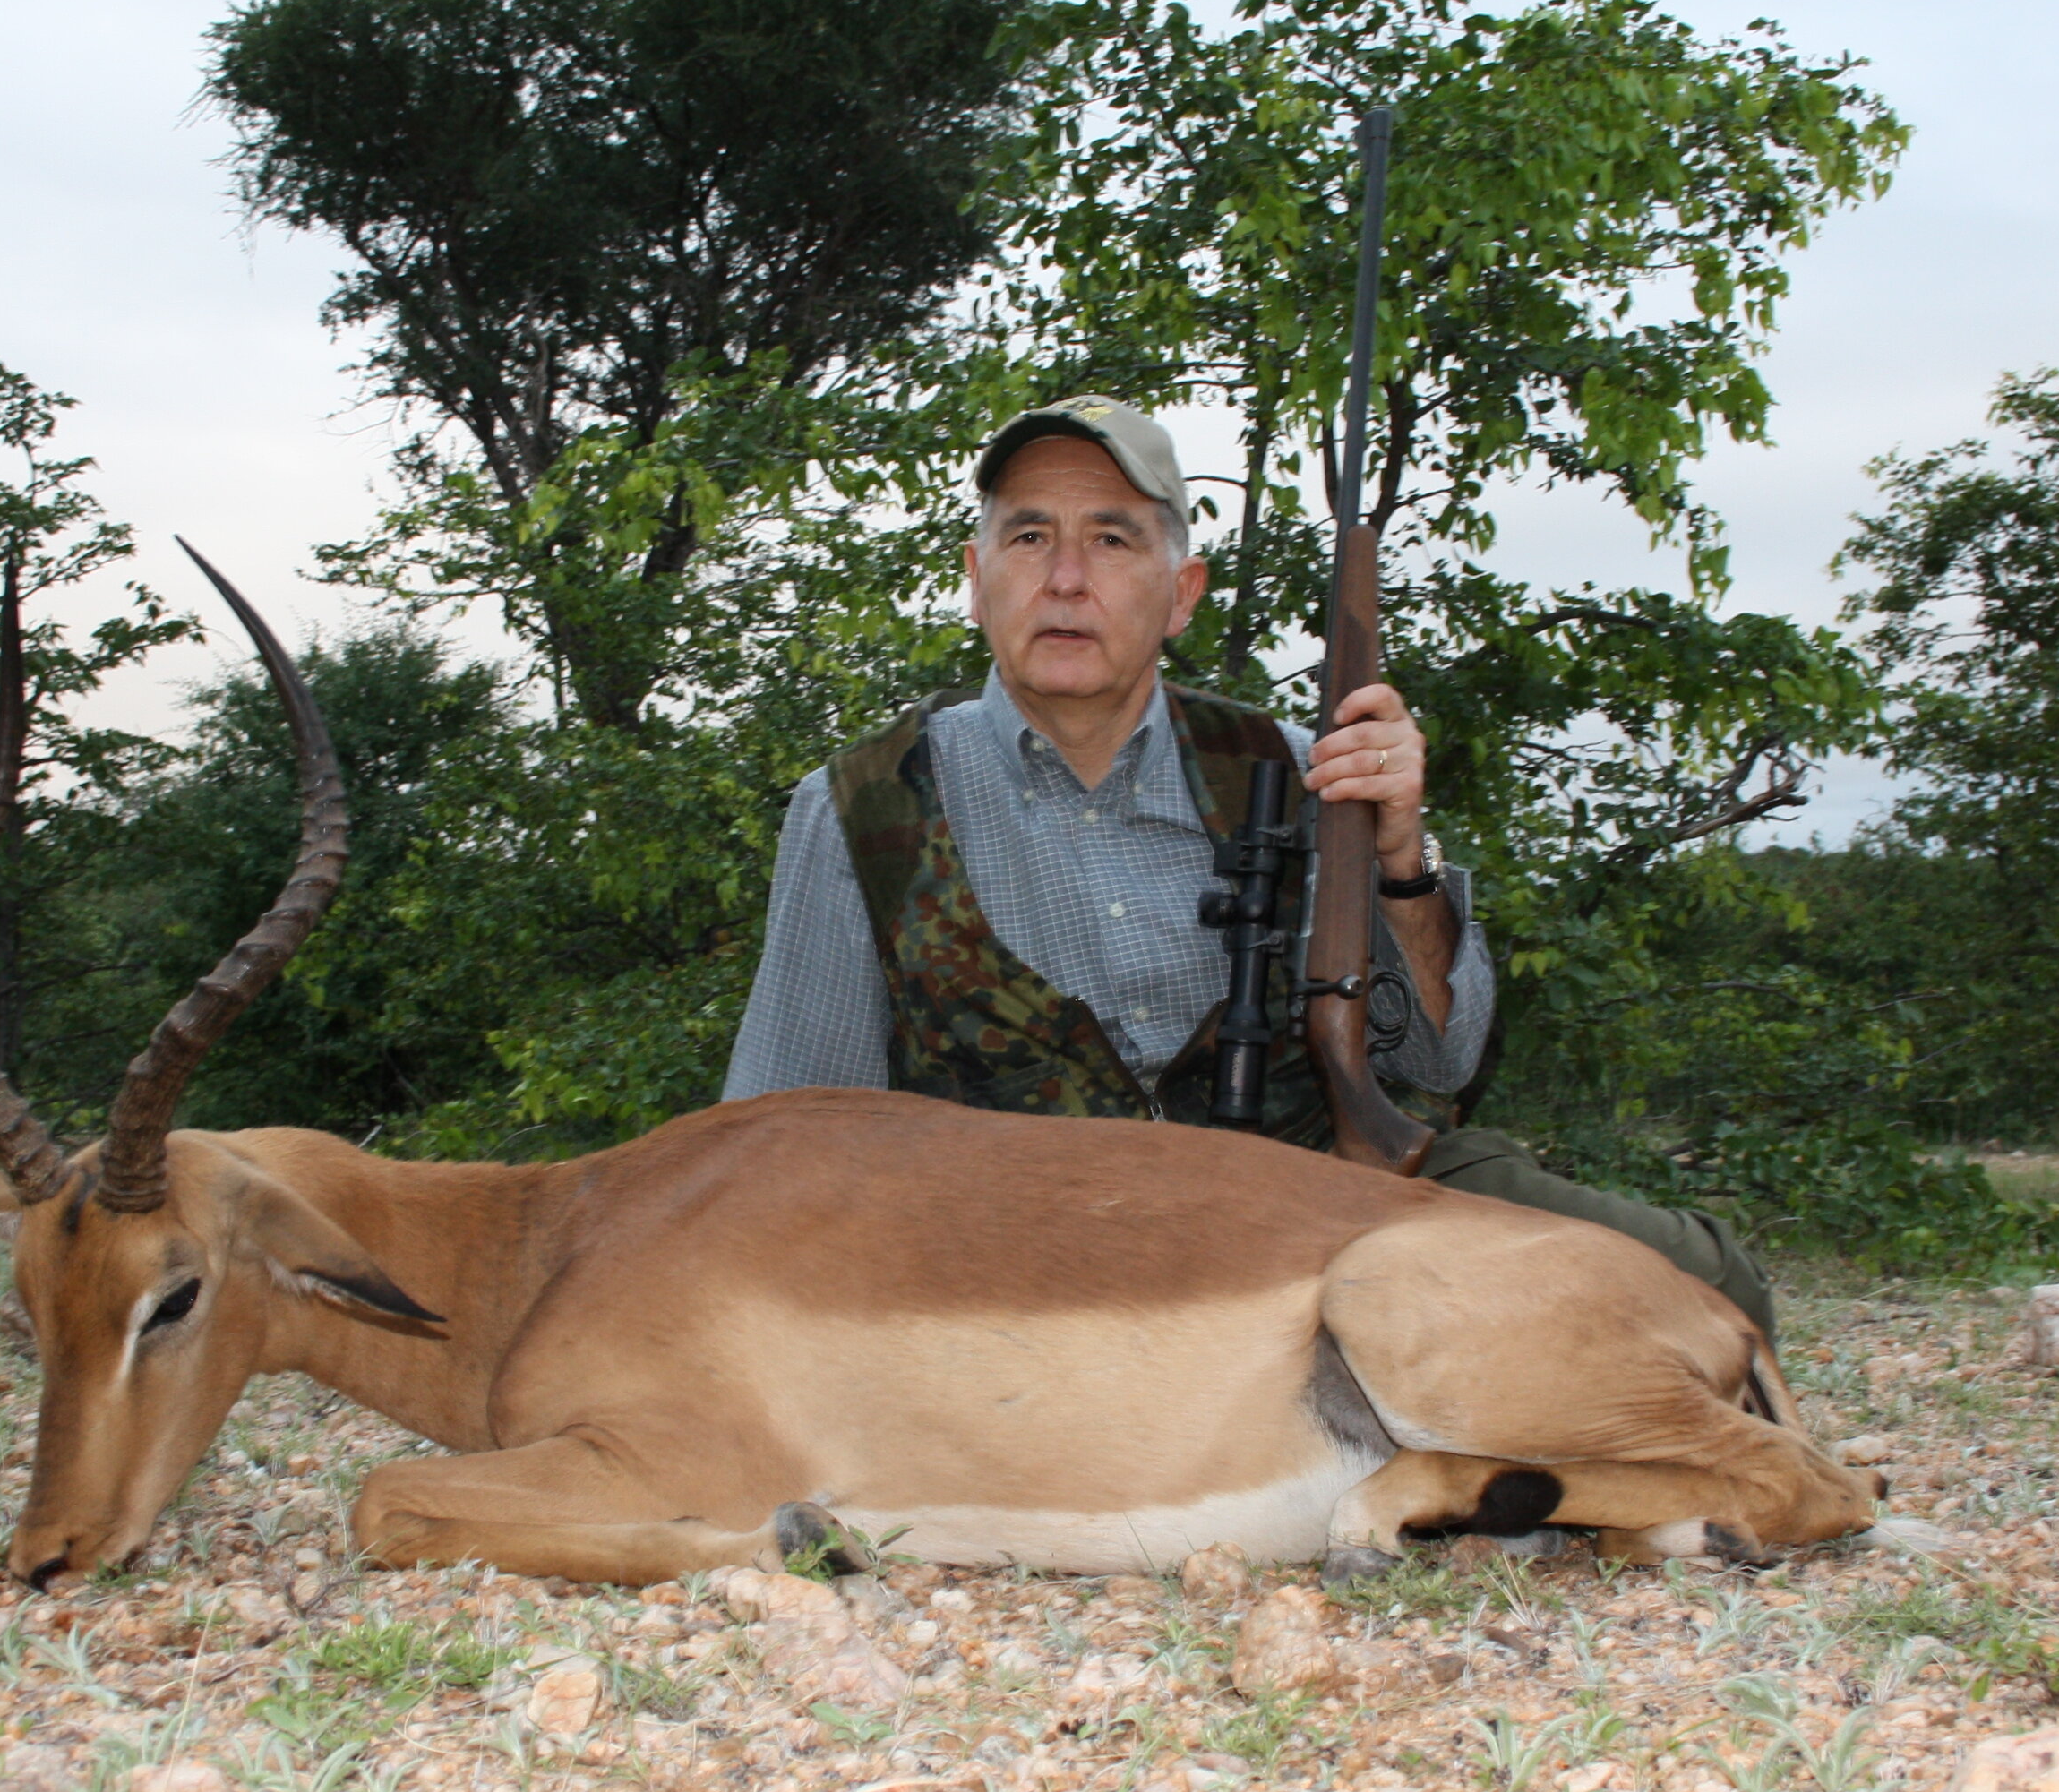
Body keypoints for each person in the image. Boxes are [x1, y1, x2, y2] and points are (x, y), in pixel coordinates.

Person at [722, 395, 1778, 1337]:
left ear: (1181, 594)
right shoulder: (860, 805)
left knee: (1709, 1281)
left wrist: (1401, 858)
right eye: (1029, 535)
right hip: (1020, 1269)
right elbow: (784, 1149)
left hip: (1307, 1215)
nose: (1066, 577)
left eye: (1112, 539)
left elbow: (1440, 1068)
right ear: (976, 578)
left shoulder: (1296, 768)